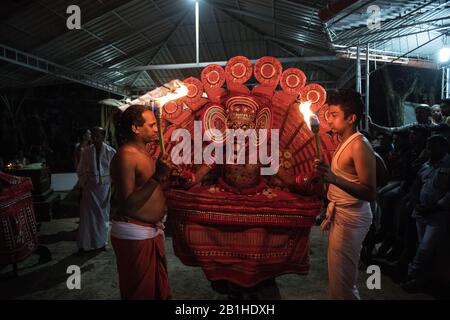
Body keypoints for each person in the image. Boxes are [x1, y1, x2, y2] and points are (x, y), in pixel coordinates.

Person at [315, 89, 376, 300]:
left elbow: (370, 192)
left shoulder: (359, 145)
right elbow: (344, 177)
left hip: (353, 218)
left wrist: (333, 178)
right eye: (328, 114)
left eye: (334, 115)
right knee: (338, 279)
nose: (328, 120)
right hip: (341, 215)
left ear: (351, 118)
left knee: (343, 285)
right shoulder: (343, 141)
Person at [110, 104, 173, 300]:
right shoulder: (126, 156)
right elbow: (128, 204)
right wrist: (157, 177)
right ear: (135, 128)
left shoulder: (145, 153)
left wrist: (167, 177)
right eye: (152, 125)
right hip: (134, 232)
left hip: (150, 230)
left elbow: (151, 190)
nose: (157, 130)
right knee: (141, 294)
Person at [402, 135, 450, 291]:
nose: (429, 151)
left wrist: (435, 207)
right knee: (425, 247)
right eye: (428, 147)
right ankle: (424, 279)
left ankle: (412, 275)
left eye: (433, 147)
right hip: (421, 212)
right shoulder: (426, 165)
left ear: (443, 147)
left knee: (425, 247)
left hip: (438, 215)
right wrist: (416, 203)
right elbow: (416, 185)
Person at [76, 126, 116, 252]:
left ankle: (102, 242)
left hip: (104, 188)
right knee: (87, 216)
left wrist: (113, 188)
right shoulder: (87, 151)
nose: (94, 139)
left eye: (97, 136)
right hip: (90, 188)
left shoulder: (111, 152)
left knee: (103, 215)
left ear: (103, 137)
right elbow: (81, 169)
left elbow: (115, 172)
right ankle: (85, 244)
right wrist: (84, 184)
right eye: (92, 136)